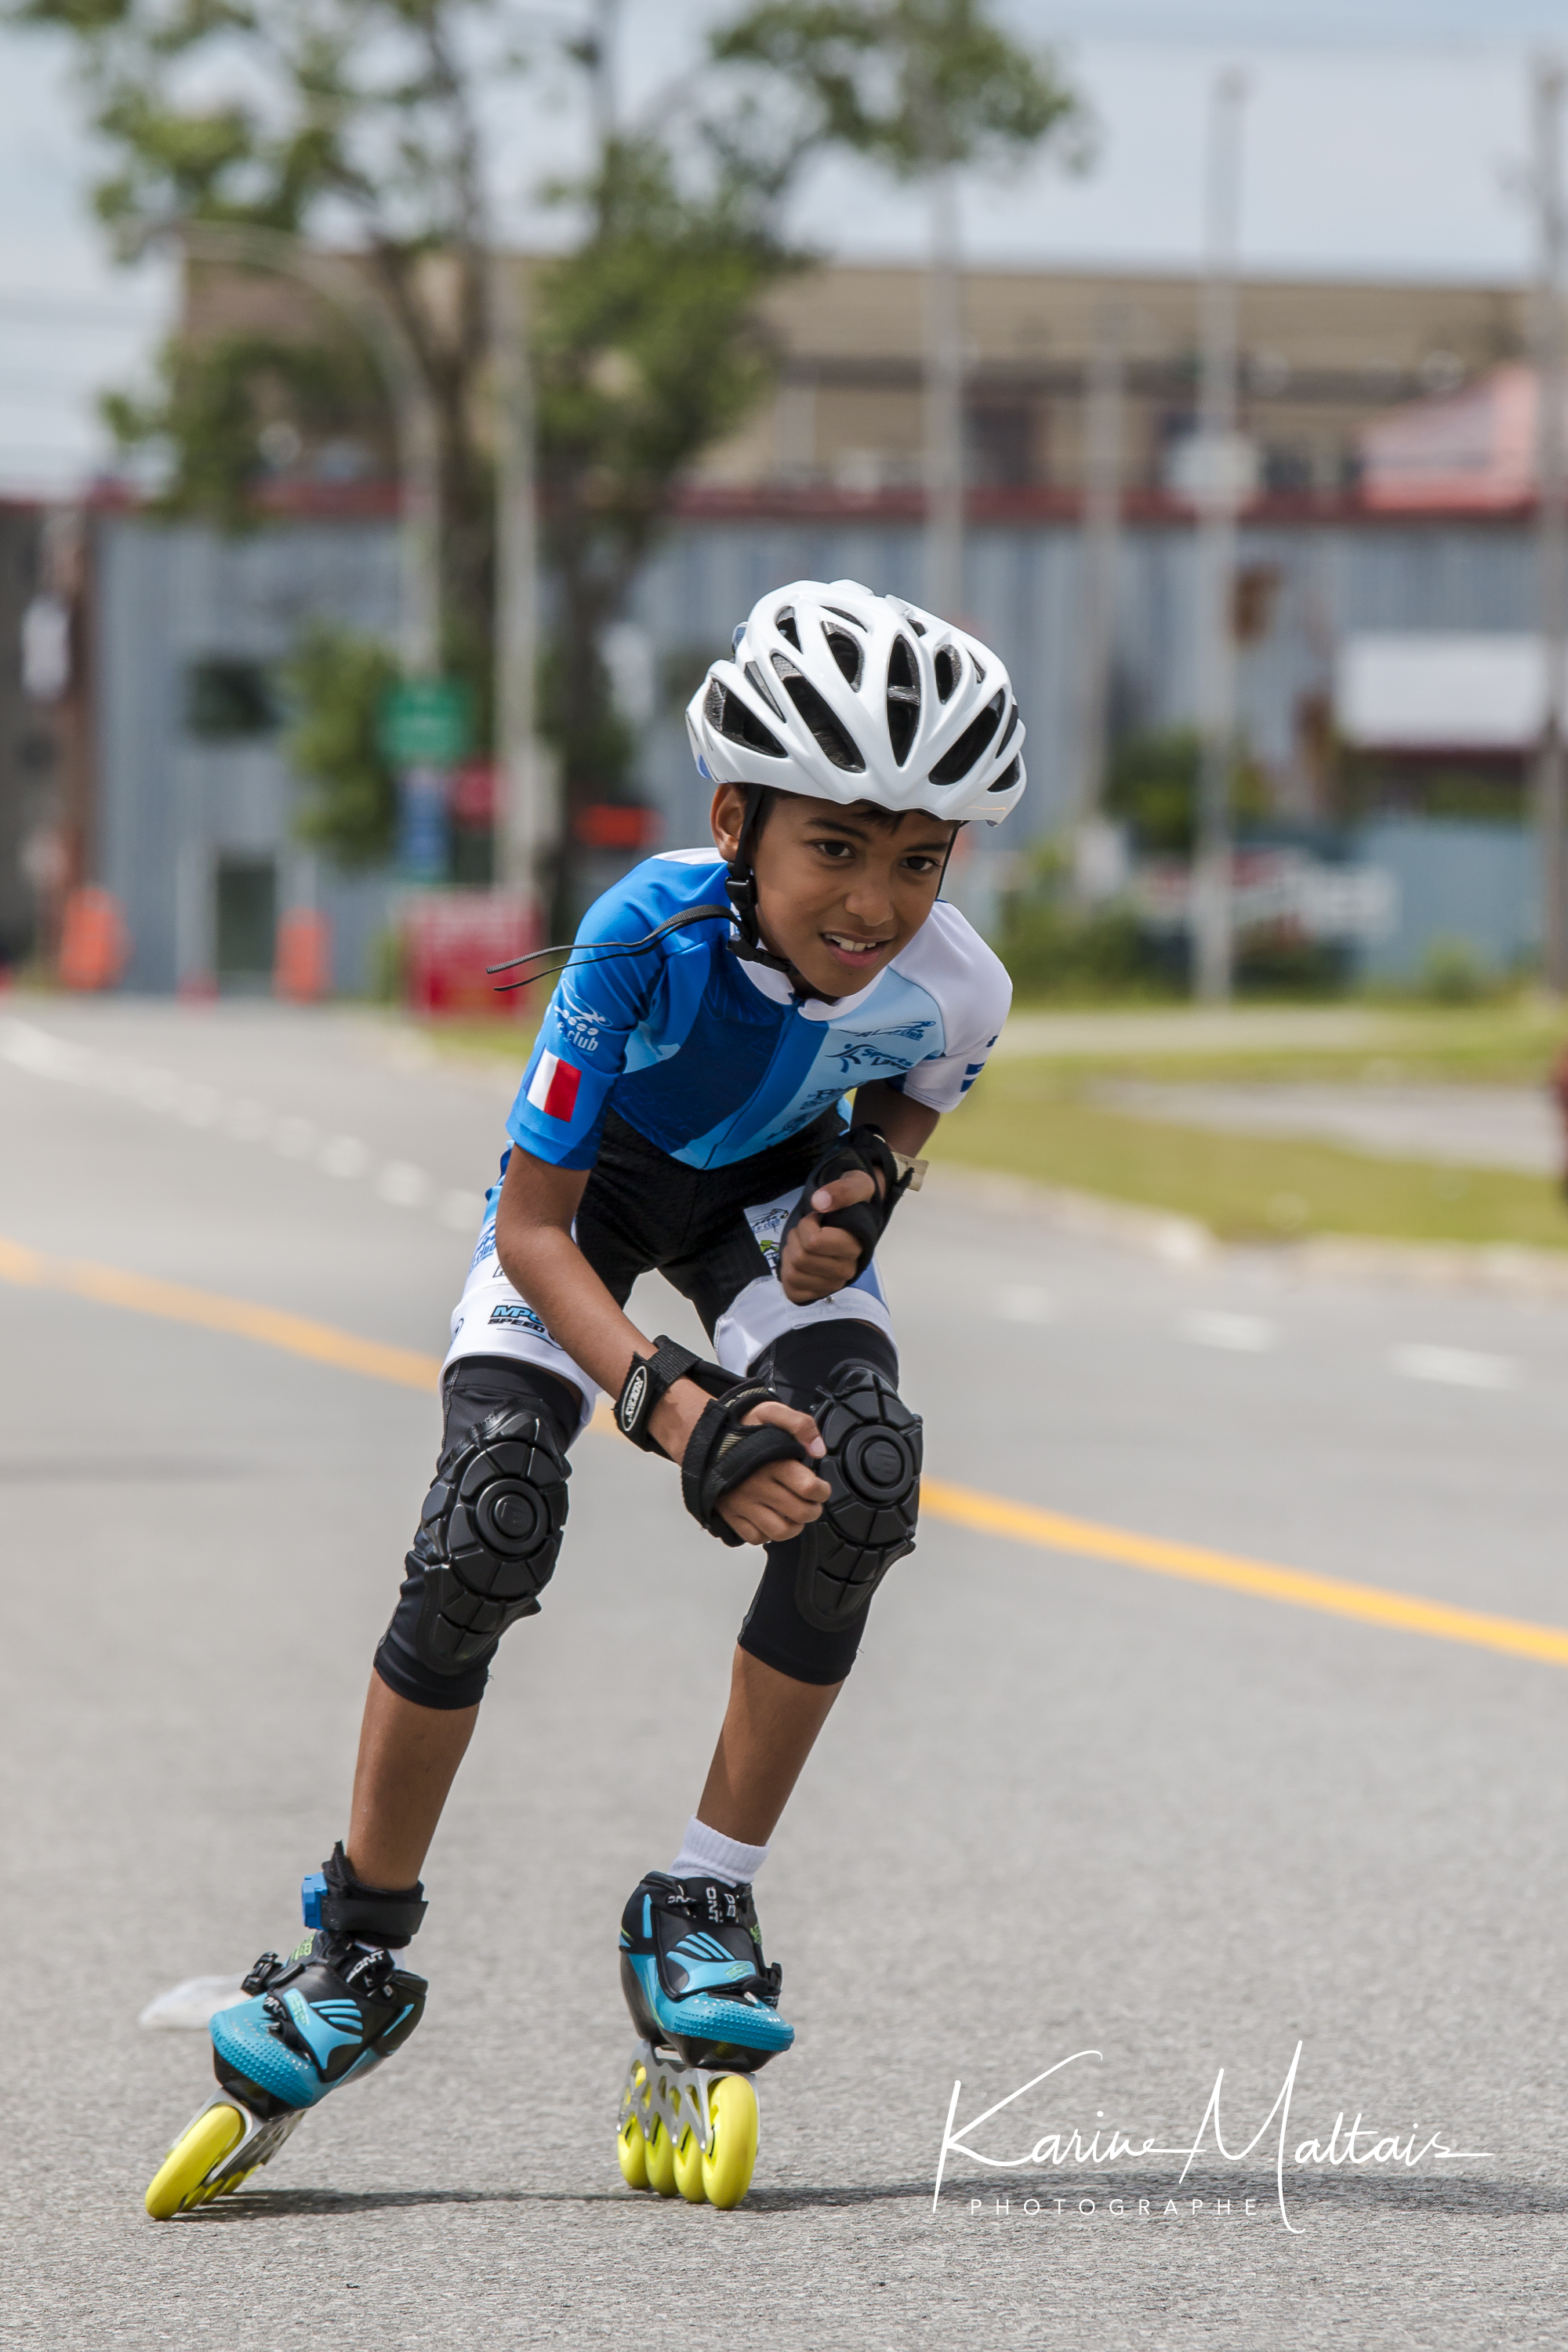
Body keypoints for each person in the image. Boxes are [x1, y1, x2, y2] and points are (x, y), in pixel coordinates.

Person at [173, 578, 1025, 2200]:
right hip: (594, 1196)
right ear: (736, 821)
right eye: (834, 847)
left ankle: (703, 1899)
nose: (874, 903)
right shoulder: (645, 934)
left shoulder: (961, 987)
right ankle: (352, 1949)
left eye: (919, 859)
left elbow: (909, 1108)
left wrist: (864, 1188)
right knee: (493, 1514)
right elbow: (535, 1228)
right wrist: (674, 1407)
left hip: (759, 1200)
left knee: (868, 1477)